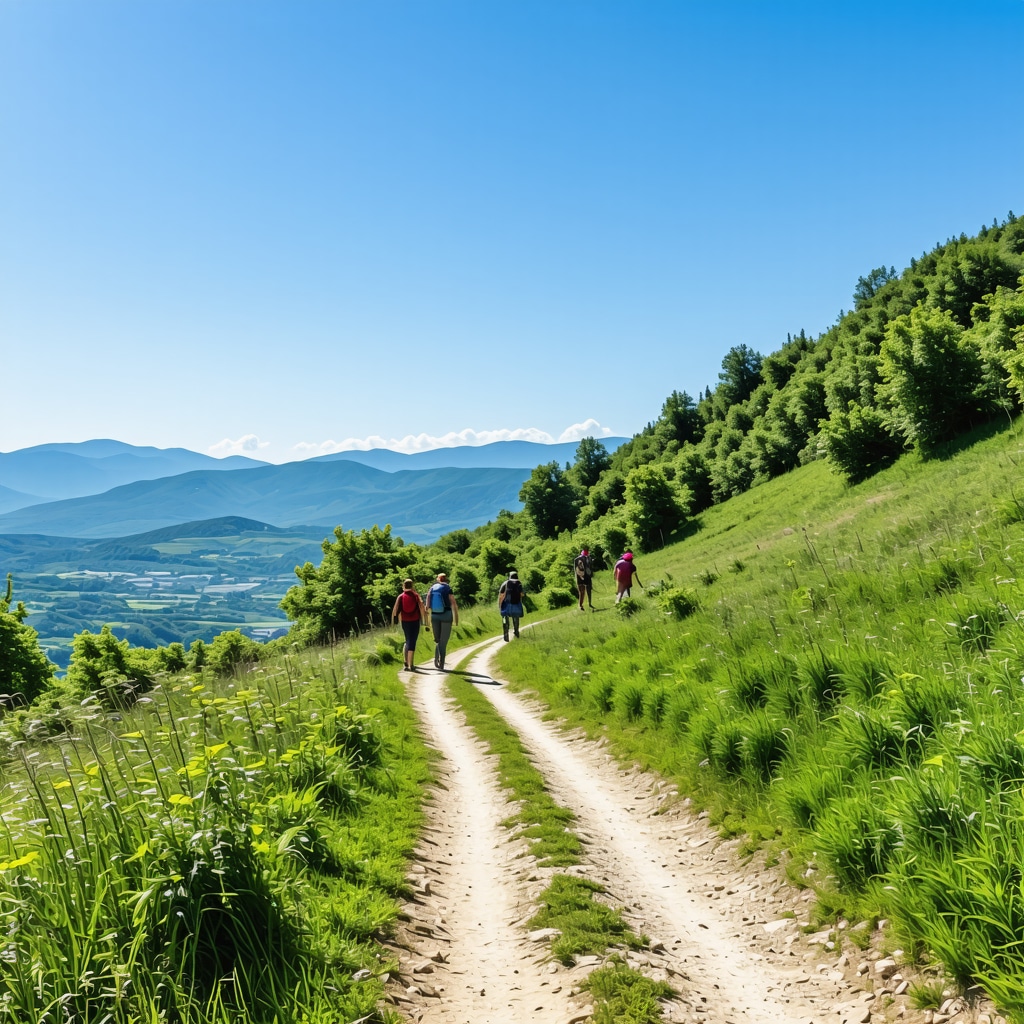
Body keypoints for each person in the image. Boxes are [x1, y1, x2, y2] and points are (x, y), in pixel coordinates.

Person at [390, 578, 427, 671]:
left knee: (407, 640)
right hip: (415, 620)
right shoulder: (415, 595)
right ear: (412, 585)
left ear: (403, 586)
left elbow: (394, 611)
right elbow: (422, 607)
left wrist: (394, 621)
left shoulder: (400, 596)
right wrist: (425, 620)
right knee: (412, 642)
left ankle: (405, 662)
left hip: (405, 621)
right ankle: (411, 664)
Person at [426, 572, 459, 670]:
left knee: (437, 639)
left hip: (435, 616)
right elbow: (453, 603)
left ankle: (436, 659)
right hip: (446, 615)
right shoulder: (448, 588)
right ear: (446, 579)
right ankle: (442, 662)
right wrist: (456, 617)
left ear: (438, 579)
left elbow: (427, 603)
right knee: (443, 641)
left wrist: (426, 617)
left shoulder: (432, 588)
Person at [497, 570, 525, 641]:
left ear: (509, 576)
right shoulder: (519, 583)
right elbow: (522, 594)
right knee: (516, 618)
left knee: (504, 618)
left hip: (506, 605)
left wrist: (500, 605)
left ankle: (506, 634)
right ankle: (516, 632)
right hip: (516, 604)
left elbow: (501, 595)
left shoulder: (505, 583)